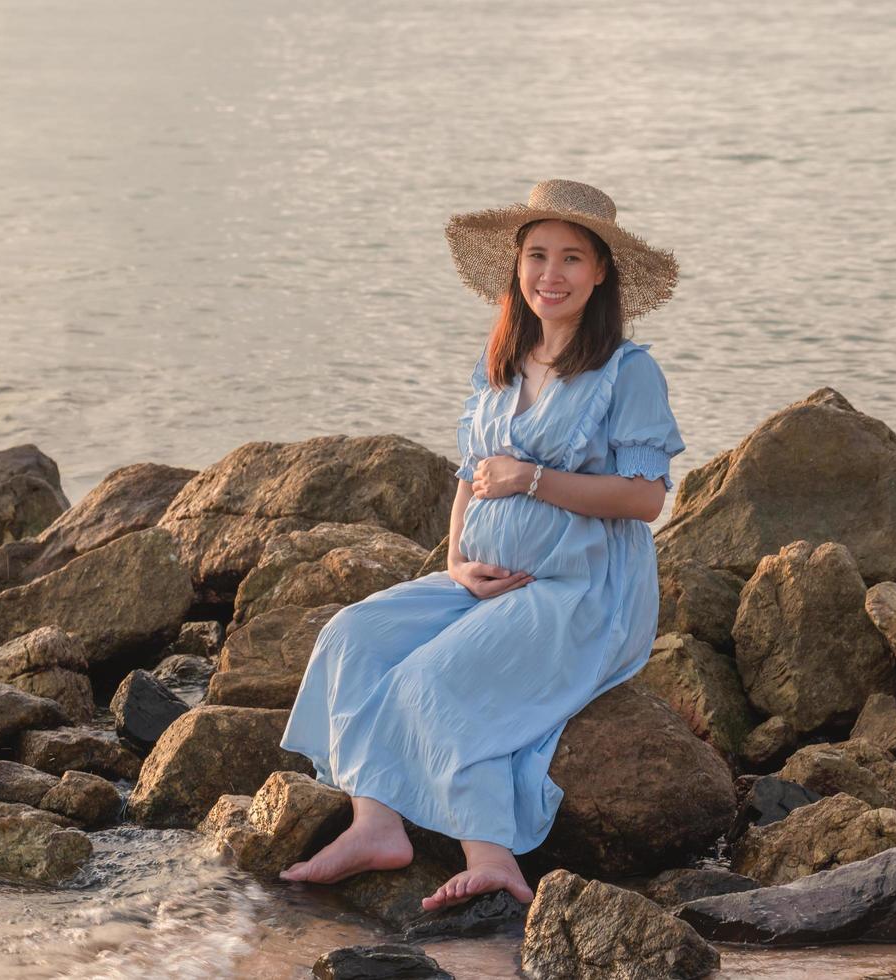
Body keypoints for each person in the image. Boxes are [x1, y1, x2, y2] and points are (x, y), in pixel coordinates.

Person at [277, 178, 685, 912]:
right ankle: (376, 825)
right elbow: (471, 474)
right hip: (483, 577)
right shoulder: (500, 360)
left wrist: (532, 479)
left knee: (428, 681)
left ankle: (489, 853)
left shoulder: (627, 373)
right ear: (515, 266)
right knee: (352, 636)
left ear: (600, 274)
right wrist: (457, 560)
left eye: (570, 259)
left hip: (578, 593)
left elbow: (644, 498)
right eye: (536, 256)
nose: (550, 275)